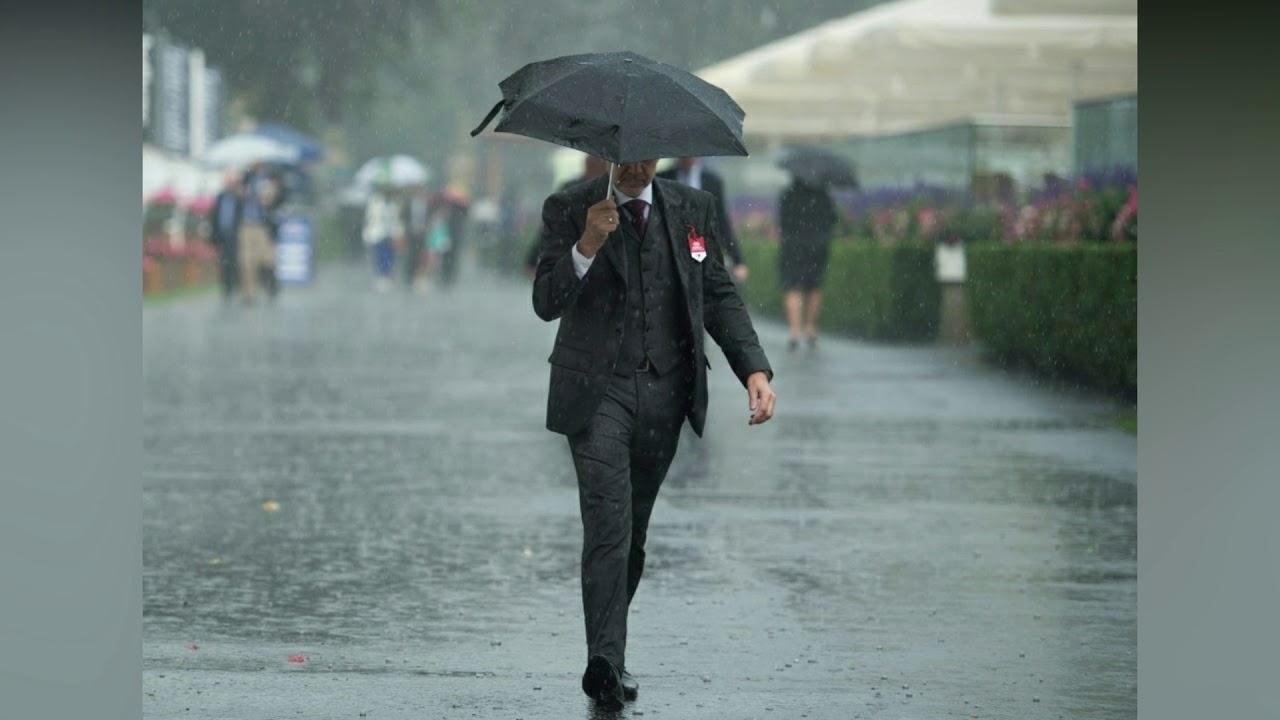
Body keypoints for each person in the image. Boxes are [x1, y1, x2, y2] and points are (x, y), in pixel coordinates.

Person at [533, 158, 777, 708]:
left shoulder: (692, 210)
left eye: (652, 152)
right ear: (612, 152)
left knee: (634, 533)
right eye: (631, 153)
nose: (641, 164)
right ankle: (604, 664)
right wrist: (587, 245)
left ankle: (609, 657)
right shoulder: (571, 207)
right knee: (608, 525)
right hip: (598, 395)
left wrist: (754, 371)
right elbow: (546, 300)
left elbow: (717, 295)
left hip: (666, 395)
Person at [658, 156, 748, 283]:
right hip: (669, 250)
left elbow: (721, 222)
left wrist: (737, 259)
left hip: (701, 248)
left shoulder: (712, 182)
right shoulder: (662, 179)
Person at [523, 154, 609, 278]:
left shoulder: (609, 193)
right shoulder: (570, 191)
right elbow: (549, 227)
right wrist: (532, 259)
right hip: (571, 258)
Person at [777, 177, 838, 350]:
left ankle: (794, 330)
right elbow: (833, 219)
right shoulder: (823, 195)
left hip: (792, 245)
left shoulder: (788, 194)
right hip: (817, 245)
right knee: (814, 285)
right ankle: (810, 327)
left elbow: (782, 220)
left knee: (792, 286)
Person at [236, 165, 281, 303]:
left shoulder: (269, 178)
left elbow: (270, 199)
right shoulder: (246, 178)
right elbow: (239, 196)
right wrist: (243, 192)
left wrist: (266, 194)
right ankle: (249, 293)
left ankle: (271, 285)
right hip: (246, 225)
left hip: (262, 225)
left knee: (267, 259)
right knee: (246, 261)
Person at [209, 169, 244, 301]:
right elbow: (214, 216)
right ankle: (226, 288)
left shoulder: (239, 198)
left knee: (235, 261)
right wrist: (214, 235)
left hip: (235, 235)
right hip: (222, 234)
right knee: (224, 262)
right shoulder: (221, 197)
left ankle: (235, 285)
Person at [362, 187, 402, 292]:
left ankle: (387, 276)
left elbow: (397, 219)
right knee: (379, 255)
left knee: (390, 255)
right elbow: (371, 217)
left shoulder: (394, 204)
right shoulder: (375, 203)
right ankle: (381, 276)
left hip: (391, 233)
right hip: (378, 233)